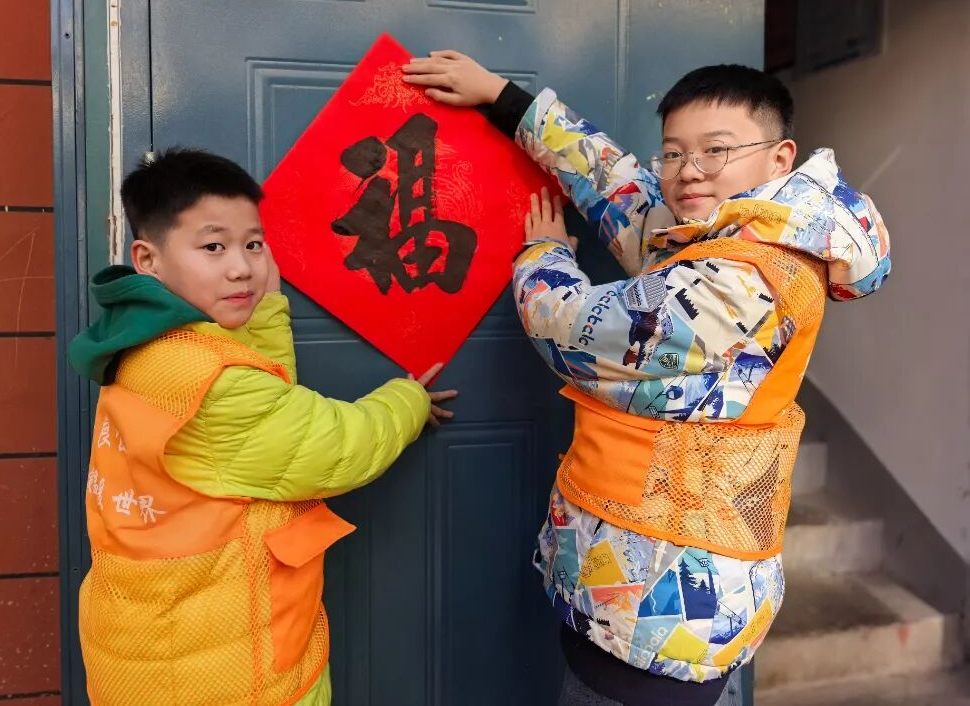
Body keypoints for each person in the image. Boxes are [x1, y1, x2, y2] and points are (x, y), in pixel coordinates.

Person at [402, 53, 891, 706]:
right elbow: (617, 186)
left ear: (780, 159)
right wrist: (502, 97)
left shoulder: (745, 282)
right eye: (675, 153)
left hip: (664, 618)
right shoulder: (722, 234)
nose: (689, 170)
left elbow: (576, 331)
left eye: (716, 150)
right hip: (636, 594)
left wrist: (543, 256)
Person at [67, 148, 457, 706]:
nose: (242, 268)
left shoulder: (143, 344)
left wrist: (267, 313)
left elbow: (260, 415)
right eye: (213, 246)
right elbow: (340, 447)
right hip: (231, 677)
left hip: (160, 648)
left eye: (253, 244)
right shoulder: (215, 385)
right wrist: (409, 398)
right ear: (147, 259)